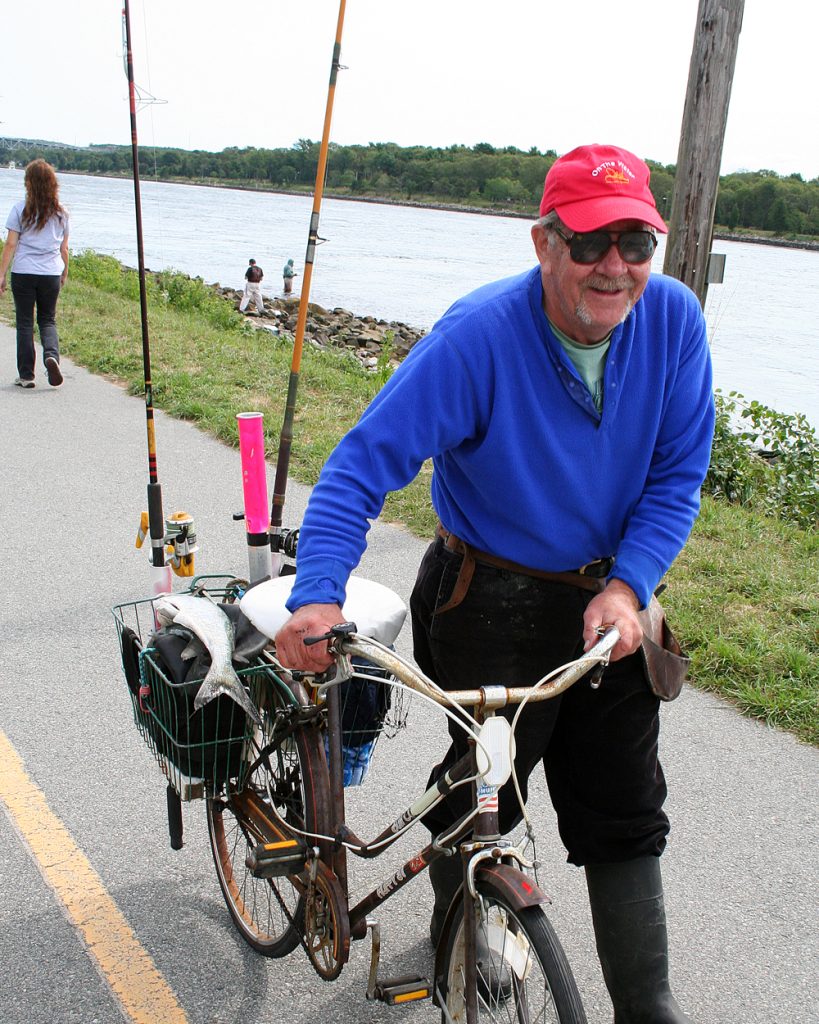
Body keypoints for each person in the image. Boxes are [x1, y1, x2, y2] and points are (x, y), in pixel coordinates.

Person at [275, 144, 715, 1023]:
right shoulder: (476, 337)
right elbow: (361, 467)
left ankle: (648, 1005)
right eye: (589, 243)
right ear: (544, 243)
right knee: (486, 794)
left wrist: (628, 586)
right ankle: (462, 935)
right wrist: (318, 593)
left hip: (609, 604)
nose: (615, 266)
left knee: (624, 806)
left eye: (635, 242)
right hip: (488, 595)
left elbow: (675, 478)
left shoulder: (673, 320)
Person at [0, 159, 69, 388]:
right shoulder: (62, 213)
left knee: (25, 323)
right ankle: (51, 356)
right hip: (51, 273)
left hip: (24, 272)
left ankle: (27, 375)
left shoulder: (20, 209)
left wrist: (1, 274)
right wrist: (64, 271)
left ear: (28, 183)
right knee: (47, 319)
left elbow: (11, 244)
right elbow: (64, 248)